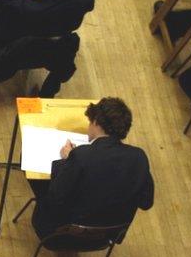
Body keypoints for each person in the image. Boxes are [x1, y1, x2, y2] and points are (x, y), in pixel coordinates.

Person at [29, 97, 154, 239]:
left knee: (40, 182)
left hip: (64, 234)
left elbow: (55, 198)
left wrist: (67, 160)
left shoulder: (81, 156)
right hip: (107, 235)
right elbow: (146, 202)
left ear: (96, 122)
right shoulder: (139, 157)